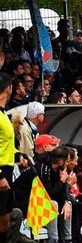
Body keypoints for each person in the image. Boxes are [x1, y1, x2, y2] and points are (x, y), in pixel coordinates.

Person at [0, 72, 16, 242]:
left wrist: (20, 155)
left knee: (5, 222)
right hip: (1, 172)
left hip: (8, 169)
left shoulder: (4, 114)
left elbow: (5, 145)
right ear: (8, 89)